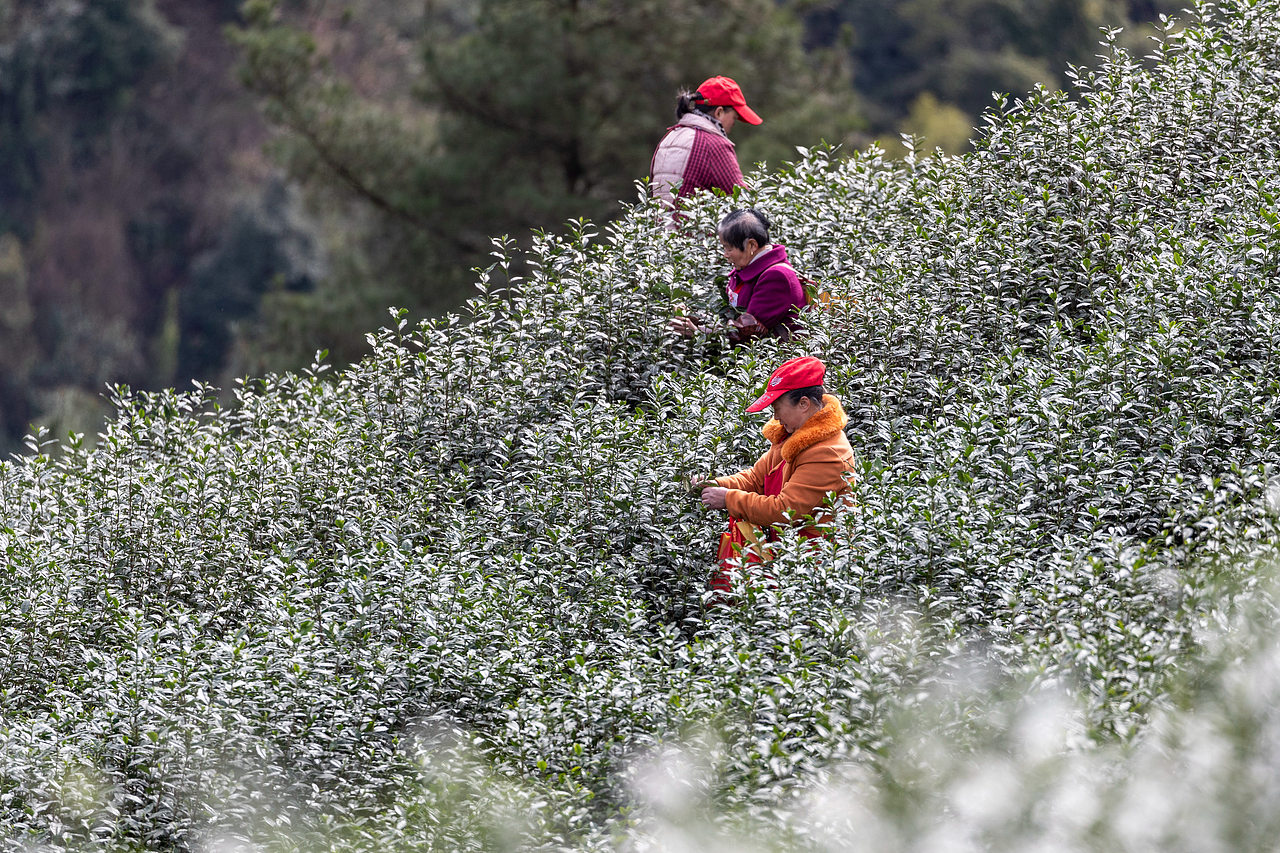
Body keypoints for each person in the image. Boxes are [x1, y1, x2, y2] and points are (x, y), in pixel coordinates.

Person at [692, 356, 855, 592]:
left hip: (813, 568)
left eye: (778, 409)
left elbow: (784, 510)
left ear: (804, 404)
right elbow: (757, 479)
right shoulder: (792, 433)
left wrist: (727, 498)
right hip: (787, 553)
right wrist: (715, 483)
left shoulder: (827, 452)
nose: (776, 417)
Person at [669, 208, 809, 342]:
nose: (725, 255)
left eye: (728, 248)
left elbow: (747, 334)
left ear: (751, 245)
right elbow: (731, 318)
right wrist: (695, 317)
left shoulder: (776, 277)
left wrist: (699, 333)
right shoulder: (748, 267)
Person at [649, 76, 762, 212]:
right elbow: (742, 201)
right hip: (691, 233)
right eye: (734, 117)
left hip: (659, 231)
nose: (733, 124)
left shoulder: (670, 136)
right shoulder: (713, 144)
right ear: (719, 112)